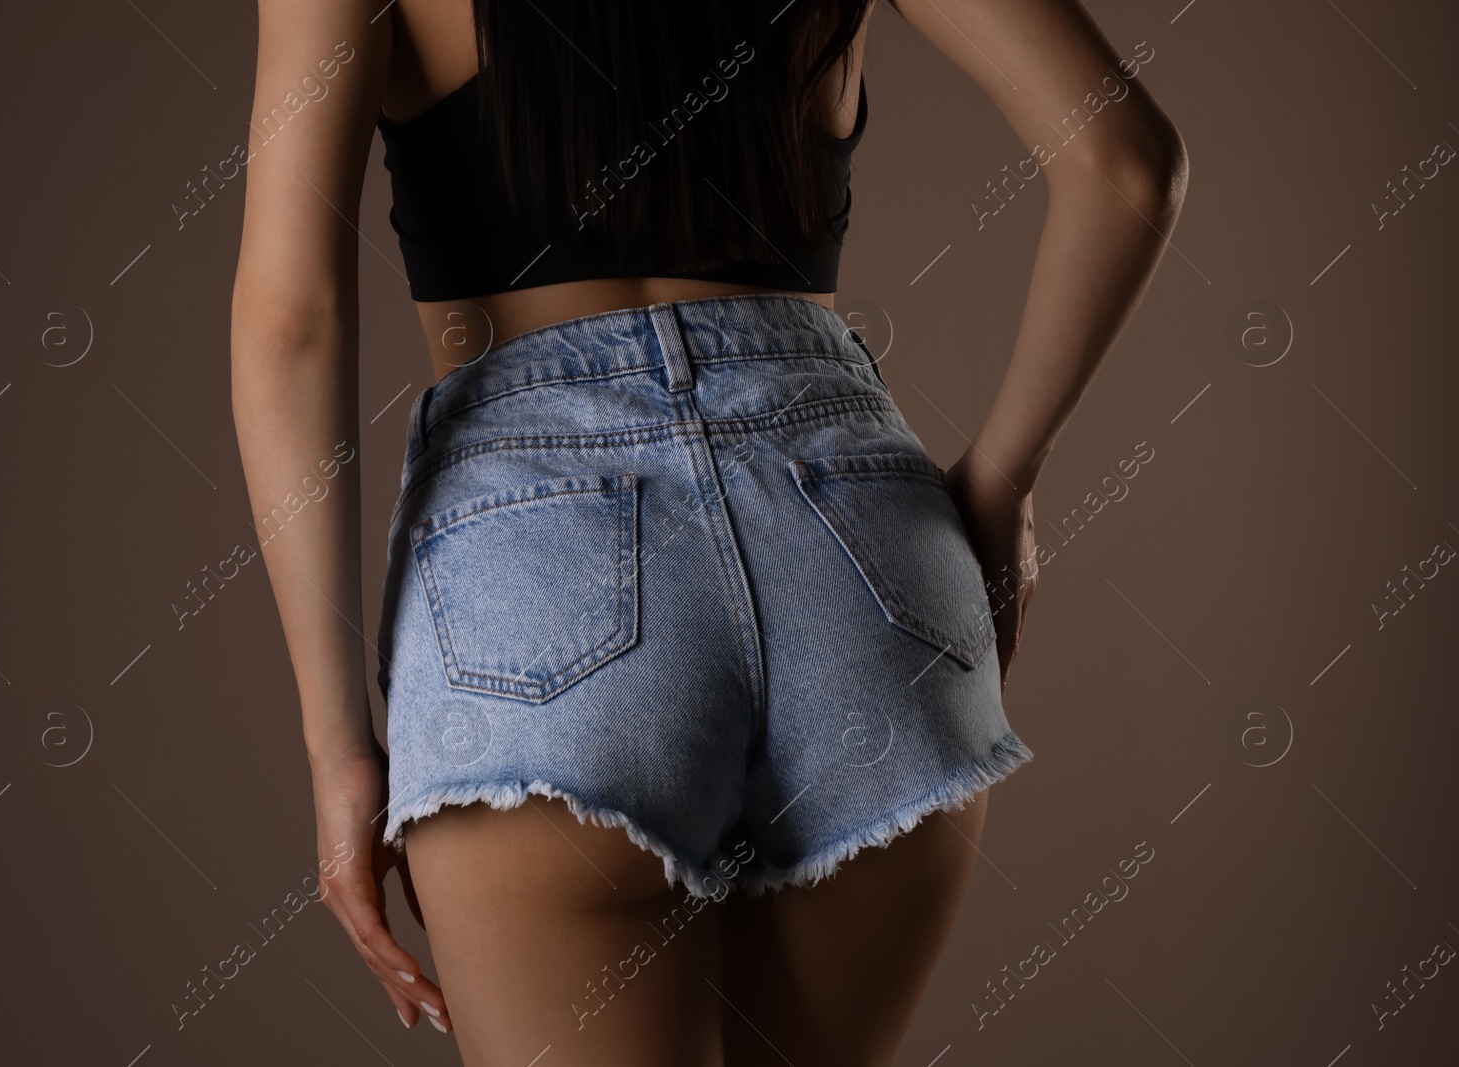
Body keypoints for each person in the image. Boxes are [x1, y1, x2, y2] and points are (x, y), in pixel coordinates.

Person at [230, 0, 1186, 1062]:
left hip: (541, 581)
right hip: (857, 551)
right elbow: (1126, 165)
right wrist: (1003, 484)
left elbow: (291, 317)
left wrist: (335, 744)